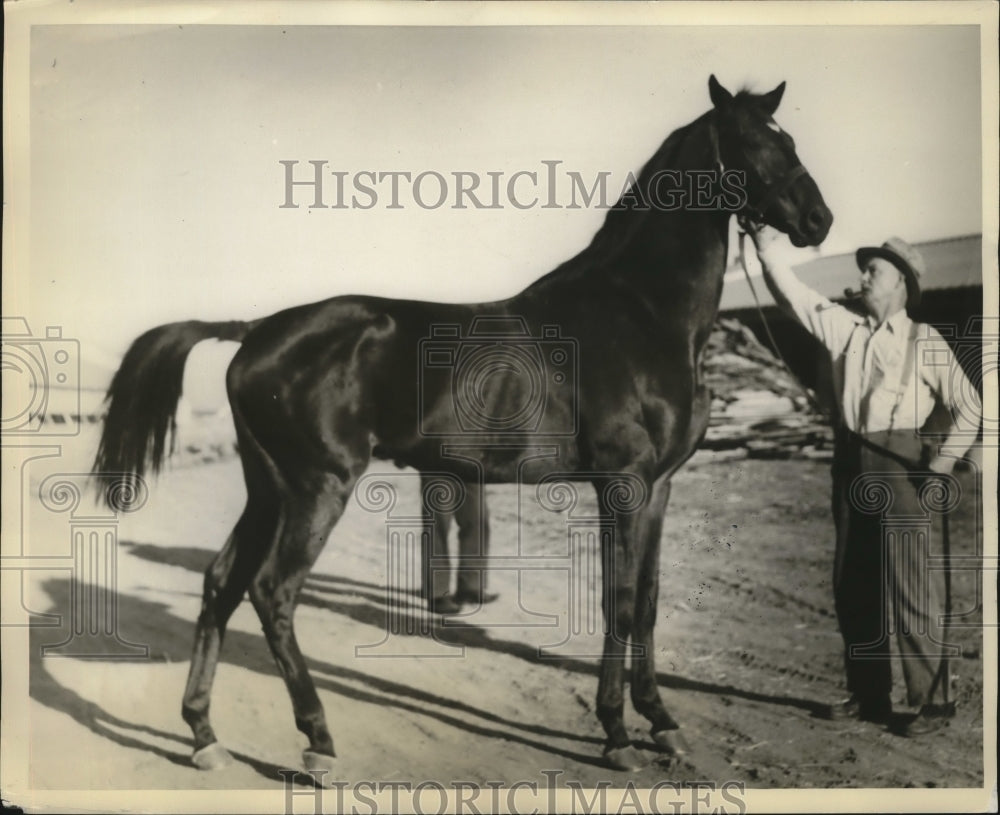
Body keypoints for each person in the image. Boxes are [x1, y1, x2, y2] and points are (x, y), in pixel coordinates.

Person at [747, 226, 981, 737]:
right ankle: (868, 692)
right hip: (850, 465)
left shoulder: (926, 342)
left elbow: (972, 408)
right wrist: (766, 251)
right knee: (852, 582)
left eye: (873, 270)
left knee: (911, 585)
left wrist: (943, 463)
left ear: (900, 283)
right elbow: (795, 297)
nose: (862, 277)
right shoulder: (844, 329)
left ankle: (932, 702)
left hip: (901, 472)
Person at [420, 475, 499, 615]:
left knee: (477, 520)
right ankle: (437, 593)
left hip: (471, 463)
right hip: (437, 463)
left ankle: (470, 586)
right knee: (437, 526)